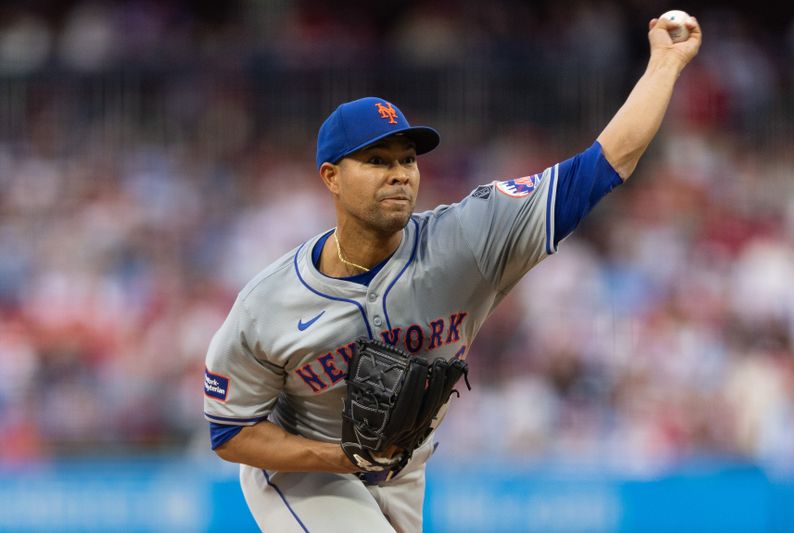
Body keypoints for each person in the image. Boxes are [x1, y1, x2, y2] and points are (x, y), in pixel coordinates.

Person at [204, 15, 702, 532]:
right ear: (331, 177)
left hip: (402, 468)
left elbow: (603, 165)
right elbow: (229, 434)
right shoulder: (268, 304)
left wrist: (664, 64)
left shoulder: (468, 241)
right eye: (376, 160)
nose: (399, 173)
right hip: (302, 467)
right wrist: (338, 458)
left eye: (407, 159)